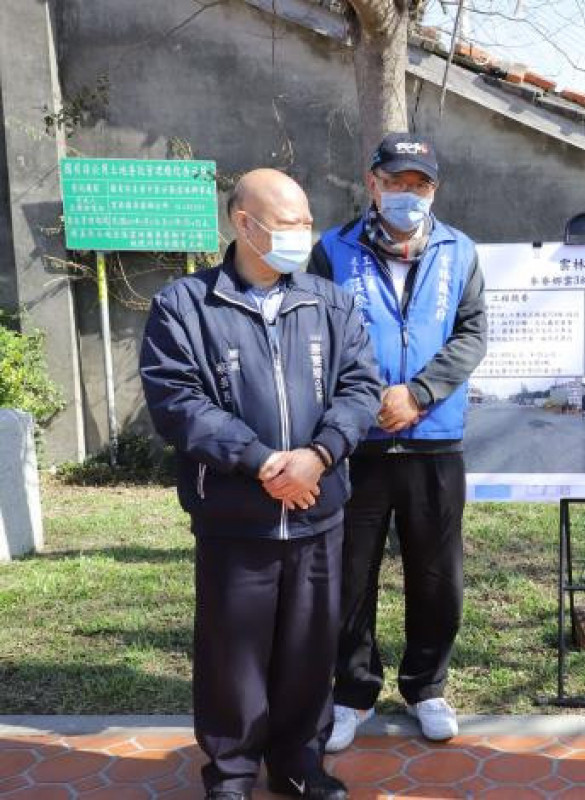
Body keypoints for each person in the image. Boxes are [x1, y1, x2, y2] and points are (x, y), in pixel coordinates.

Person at [139, 169, 382, 800]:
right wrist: (263, 463)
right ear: (244, 224)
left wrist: (319, 455)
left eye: (307, 220)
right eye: (290, 221)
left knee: (309, 649)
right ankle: (231, 772)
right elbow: (177, 401)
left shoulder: (330, 302)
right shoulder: (185, 306)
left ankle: (300, 764)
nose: (304, 232)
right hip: (234, 517)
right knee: (232, 655)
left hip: (318, 512)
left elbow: (360, 387)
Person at [308, 133, 487, 749]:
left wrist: (420, 393)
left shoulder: (459, 252)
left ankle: (426, 686)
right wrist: (369, 400)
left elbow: (471, 335)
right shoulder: (332, 250)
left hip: (435, 439)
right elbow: (318, 337)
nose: (408, 195)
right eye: (397, 182)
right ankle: (352, 692)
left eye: (421, 185)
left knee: (437, 575)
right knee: (348, 576)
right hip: (358, 443)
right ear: (373, 183)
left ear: (433, 190)